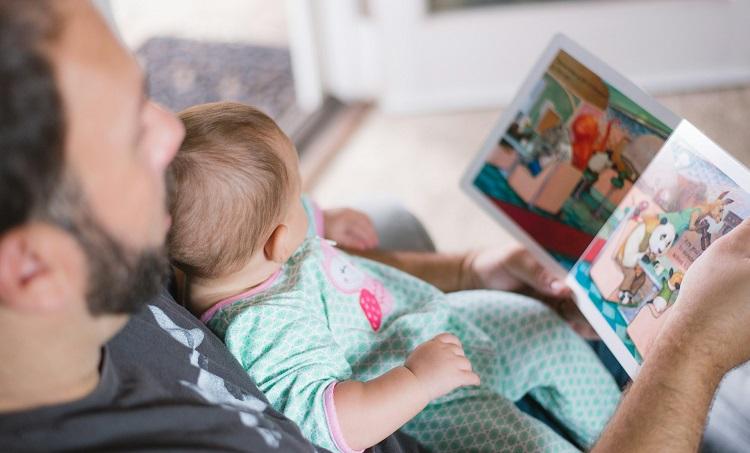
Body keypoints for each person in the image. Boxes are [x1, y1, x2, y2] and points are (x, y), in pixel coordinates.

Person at [0, 1, 747, 452]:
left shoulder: (128, 250)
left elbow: (306, 265)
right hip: (429, 403)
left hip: (415, 332)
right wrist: (695, 349)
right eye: (130, 133)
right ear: (32, 268)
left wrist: (466, 267)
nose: (169, 131)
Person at [167, 101, 622, 452]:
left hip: (426, 320)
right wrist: (417, 380)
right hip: (429, 402)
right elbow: (330, 421)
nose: (305, 200)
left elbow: (276, 216)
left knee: (540, 326)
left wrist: (325, 218)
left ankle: (621, 426)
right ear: (278, 242)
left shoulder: (240, 252)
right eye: (299, 194)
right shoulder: (263, 327)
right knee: (529, 445)